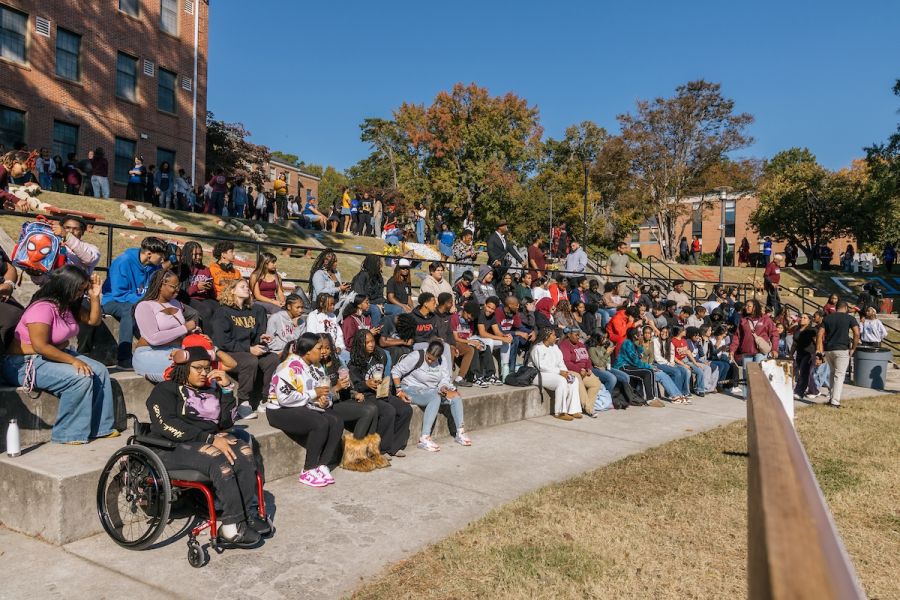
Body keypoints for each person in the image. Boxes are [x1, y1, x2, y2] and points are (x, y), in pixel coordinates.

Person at [146, 346, 267, 544]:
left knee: (244, 451)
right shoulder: (165, 389)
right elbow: (165, 424)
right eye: (198, 368)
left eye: (206, 368)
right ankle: (231, 527)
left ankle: (244, 516)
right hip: (170, 447)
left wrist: (227, 390)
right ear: (183, 367)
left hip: (205, 441)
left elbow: (226, 424)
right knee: (218, 459)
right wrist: (209, 439)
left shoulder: (212, 389)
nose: (204, 373)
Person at [2, 266, 115, 444]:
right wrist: (73, 361)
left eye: (83, 289)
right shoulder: (43, 308)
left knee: (100, 370)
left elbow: (94, 320)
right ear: (66, 286)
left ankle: (99, 427)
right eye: (79, 289)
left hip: (51, 355)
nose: (81, 293)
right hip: (23, 363)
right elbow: (40, 346)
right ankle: (67, 433)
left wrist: (94, 296)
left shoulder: (66, 306)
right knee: (80, 377)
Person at [266, 334, 343, 487]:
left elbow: (321, 391)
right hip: (279, 410)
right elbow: (285, 398)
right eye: (319, 348)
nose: (322, 352)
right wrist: (314, 394)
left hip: (302, 405)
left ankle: (322, 465)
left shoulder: (315, 366)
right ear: (308, 351)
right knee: (319, 423)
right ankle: (308, 470)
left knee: (336, 420)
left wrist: (323, 401)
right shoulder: (288, 367)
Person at [212, 279, 279, 418]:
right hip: (228, 353)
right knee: (250, 360)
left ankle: (266, 400)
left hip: (249, 350)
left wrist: (261, 338)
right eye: (242, 286)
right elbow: (222, 341)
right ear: (232, 291)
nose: (247, 289)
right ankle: (243, 403)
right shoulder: (222, 312)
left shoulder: (256, 310)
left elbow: (257, 336)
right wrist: (249, 349)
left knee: (272, 359)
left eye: (248, 287)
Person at [392, 340, 471, 451]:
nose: (429, 361)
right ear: (427, 351)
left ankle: (460, 432)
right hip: (411, 389)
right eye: (428, 358)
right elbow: (396, 371)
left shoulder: (442, 360)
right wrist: (399, 391)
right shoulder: (416, 356)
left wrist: (443, 387)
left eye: (433, 360)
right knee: (435, 397)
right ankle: (424, 438)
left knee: (455, 396)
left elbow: (444, 378)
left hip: (431, 390)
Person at [101, 236, 167, 368]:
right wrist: (146, 302)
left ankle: (161, 351)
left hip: (139, 301)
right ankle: (124, 358)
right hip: (112, 301)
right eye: (160, 256)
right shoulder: (123, 262)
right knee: (131, 310)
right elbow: (119, 294)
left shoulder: (154, 266)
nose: (162, 260)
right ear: (149, 254)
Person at [348, 330, 413, 458]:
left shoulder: (380, 354)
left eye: (372, 341)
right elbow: (354, 387)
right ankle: (381, 449)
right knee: (388, 411)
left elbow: (383, 375)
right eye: (366, 343)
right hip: (366, 396)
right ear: (360, 344)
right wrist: (366, 384)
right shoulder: (354, 363)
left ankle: (395, 446)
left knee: (406, 409)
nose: (371, 344)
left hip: (381, 392)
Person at [133, 270, 199, 382]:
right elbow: (153, 338)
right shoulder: (145, 306)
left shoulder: (176, 303)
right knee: (187, 370)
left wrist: (192, 332)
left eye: (179, 286)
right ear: (160, 285)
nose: (177, 290)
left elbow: (178, 332)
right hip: (149, 353)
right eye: (174, 286)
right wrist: (184, 328)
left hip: (176, 350)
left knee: (203, 362)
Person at [31, 216, 100, 287]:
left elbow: (89, 259)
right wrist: (35, 274)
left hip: (76, 293)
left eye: (76, 229)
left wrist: (67, 236)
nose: (71, 231)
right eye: (67, 228)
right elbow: (39, 281)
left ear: (82, 232)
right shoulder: (52, 246)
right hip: (50, 291)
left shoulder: (91, 248)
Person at [728, 299, 778, 396]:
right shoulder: (743, 320)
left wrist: (774, 349)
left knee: (760, 372)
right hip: (746, 351)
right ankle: (747, 396)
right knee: (747, 373)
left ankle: (759, 395)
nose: (746, 307)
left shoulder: (766, 319)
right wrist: (732, 350)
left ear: (755, 307)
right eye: (746, 306)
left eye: (749, 306)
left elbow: (774, 334)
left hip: (761, 351)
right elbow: (737, 336)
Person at [530, 328, 582, 420]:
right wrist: (559, 372)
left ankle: (573, 410)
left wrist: (565, 373)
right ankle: (560, 412)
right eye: (553, 335)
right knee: (561, 381)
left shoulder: (555, 347)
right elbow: (541, 367)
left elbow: (560, 362)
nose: (556, 337)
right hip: (537, 375)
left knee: (573, 380)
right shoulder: (537, 348)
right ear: (546, 337)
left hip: (553, 374)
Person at [816, 301, 859, 408]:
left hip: (828, 349)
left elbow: (820, 334)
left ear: (836, 307)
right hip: (842, 349)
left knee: (832, 373)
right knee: (839, 375)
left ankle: (831, 397)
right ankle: (835, 402)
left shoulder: (827, 318)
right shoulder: (850, 318)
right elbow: (857, 333)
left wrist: (819, 349)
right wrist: (853, 348)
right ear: (845, 308)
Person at [558, 326, 604, 416]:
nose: (578, 337)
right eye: (576, 335)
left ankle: (588, 407)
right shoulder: (564, 345)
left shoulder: (581, 344)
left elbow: (587, 360)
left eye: (579, 335)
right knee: (578, 379)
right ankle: (589, 409)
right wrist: (579, 370)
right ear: (569, 335)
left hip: (584, 371)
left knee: (596, 383)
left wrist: (589, 369)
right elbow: (567, 363)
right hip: (571, 370)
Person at [451, 300, 492, 387]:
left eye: (471, 319)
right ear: (465, 312)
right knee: (470, 349)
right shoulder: (455, 318)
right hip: (456, 342)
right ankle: (473, 376)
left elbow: (469, 336)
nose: (469, 320)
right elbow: (456, 338)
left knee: (484, 347)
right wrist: (470, 342)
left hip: (465, 342)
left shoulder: (471, 322)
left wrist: (476, 342)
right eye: (468, 317)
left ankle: (489, 375)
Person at [180, 241, 217, 326]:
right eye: (195, 254)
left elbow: (212, 294)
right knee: (206, 311)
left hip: (204, 298)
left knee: (220, 309)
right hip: (188, 298)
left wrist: (210, 287)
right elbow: (181, 292)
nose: (199, 257)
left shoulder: (205, 269)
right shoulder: (183, 269)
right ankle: (207, 337)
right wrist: (197, 287)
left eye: (200, 254)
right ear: (188, 254)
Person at [306, 292, 350, 363]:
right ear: (321, 304)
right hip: (322, 350)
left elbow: (339, 333)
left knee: (349, 358)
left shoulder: (333, 316)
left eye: (334, 304)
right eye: (331, 304)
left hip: (335, 349)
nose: (333, 307)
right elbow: (312, 334)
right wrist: (324, 348)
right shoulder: (313, 316)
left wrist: (340, 346)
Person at [650, 326, 692, 400]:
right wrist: (669, 364)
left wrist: (672, 362)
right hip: (658, 363)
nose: (664, 333)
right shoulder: (656, 341)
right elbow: (657, 357)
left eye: (666, 332)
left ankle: (680, 393)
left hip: (668, 363)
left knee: (683, 370)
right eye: (662, 331)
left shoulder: (670, 342)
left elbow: (672, 354)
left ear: (669, 334)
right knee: (676, 371)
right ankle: (674, 394)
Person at [352, 255, 388, 327]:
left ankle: (390, 333)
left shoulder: (378, 276)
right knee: (375, 310)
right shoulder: (362, 276)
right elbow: (359, 298)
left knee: (397, 309)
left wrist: (381, 304)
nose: (381, 265)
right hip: (362, 305)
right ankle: (375, 334)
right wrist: (376, 304)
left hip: (378, 303)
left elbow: (380, 295)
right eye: (379, 263)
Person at [791, 313, 819, 400]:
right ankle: (815, 391)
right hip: (799, 354)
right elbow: (794, 343)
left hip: (809, 354)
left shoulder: (812, 330)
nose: (802, 319)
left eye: (804, 318)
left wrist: (818, 354)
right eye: (801, 317)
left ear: (809, 320)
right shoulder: (797, 329)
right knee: (806, 373)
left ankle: (799, 392)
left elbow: (817, 342)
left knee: (803, 373)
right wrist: (791, 354)